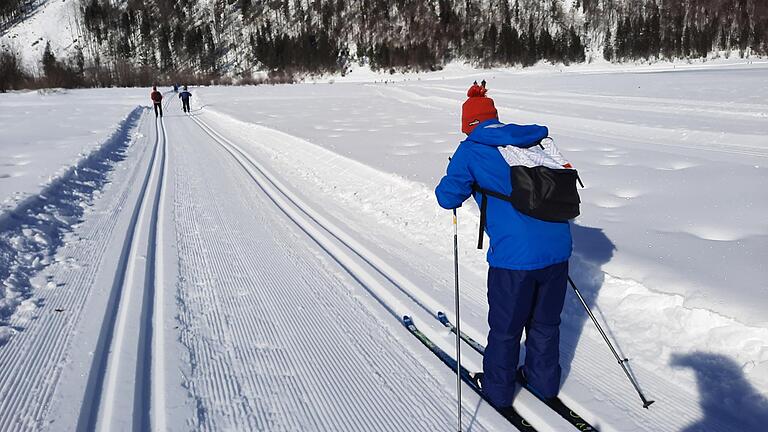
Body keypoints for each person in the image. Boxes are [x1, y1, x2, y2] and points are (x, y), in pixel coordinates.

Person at [434, 82, 573, 414]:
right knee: (545, 323)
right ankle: (543, 382)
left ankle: (497, 391)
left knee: (507, 329)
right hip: (558, 250)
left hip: (515, 258)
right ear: (494, 117)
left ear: (468, 124)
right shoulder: (530, 140)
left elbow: (446, 197)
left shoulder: (472, 149)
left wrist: (459, 171)